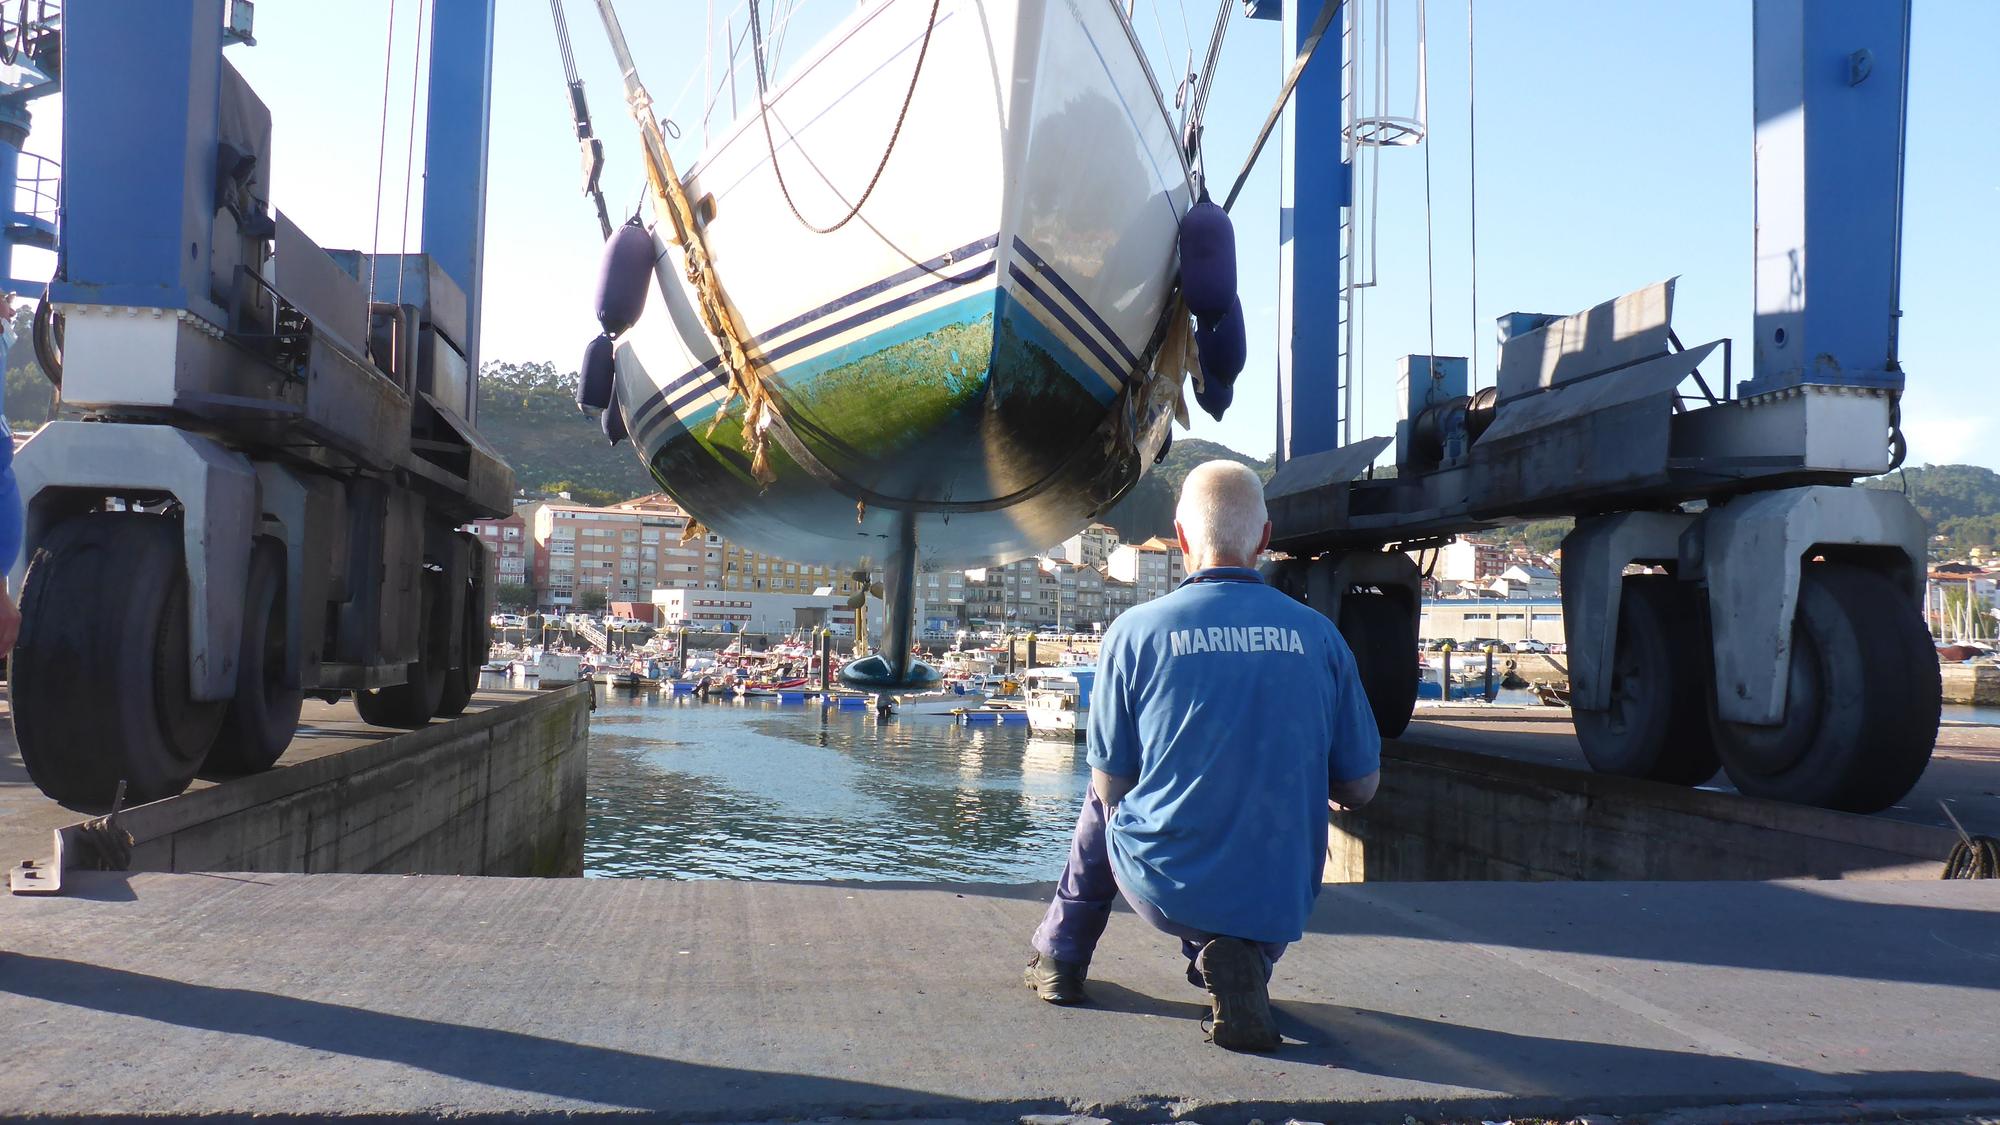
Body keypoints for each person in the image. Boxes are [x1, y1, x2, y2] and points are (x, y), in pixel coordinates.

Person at [1023, 460, 1381, 1052]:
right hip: (1282, 897)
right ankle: (1246, 966)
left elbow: (1113, 789)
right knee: (1280, 810)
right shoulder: (1321, 637)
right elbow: (1361, 788)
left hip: (1167, 890)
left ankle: (1062, 955)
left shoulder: (1135, 631)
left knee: (1099, 789)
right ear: (1265, 541)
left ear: (1182, 538)